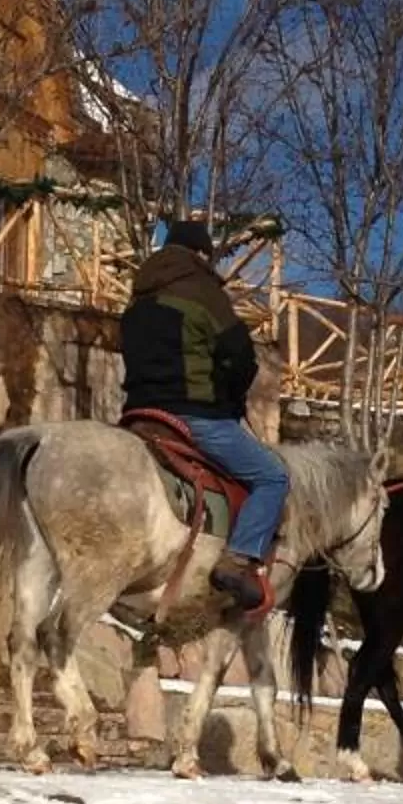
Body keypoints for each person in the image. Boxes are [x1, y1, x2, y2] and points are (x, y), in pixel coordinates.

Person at [120, 215, 287, 612]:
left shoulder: (139, 296)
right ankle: (239, 558)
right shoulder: (203, 290)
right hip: (194, 415)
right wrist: (230, 399)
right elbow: (241, 357)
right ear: (200, 254)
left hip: (138, 413)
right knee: (273, 476)